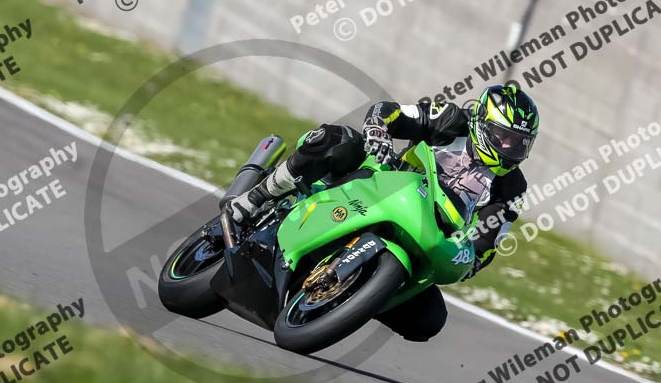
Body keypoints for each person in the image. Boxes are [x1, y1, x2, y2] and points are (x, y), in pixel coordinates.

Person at [227, 84, 540, 342]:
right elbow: (390, 111)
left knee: (430, 319)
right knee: (338, 140)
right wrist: (378, 129)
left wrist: (468, 260)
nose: (509, 148)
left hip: (427, 232)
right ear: (481, 123)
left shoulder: (512, 187)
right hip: (381, 183)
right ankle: (255, 198)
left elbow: (487, 241)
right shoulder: (450, 119)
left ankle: (356, 295)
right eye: (504, 137)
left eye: (519, 143)